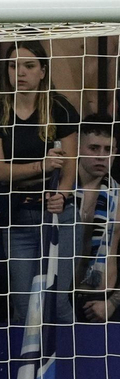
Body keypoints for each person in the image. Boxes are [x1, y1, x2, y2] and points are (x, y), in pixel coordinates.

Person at [0, 41, 79, 324]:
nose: (19, 72)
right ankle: (26, 368)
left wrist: (62, 195)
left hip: (58, 214)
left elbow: (70, 167)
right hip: (17, 215)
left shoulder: (60, 107)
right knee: (23, 307)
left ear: (43, 71)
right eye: (13, 66)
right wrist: (41, 166)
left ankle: (68, 367)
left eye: (28, 66)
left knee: (58, 302)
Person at [74, 122, 120, 322]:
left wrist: (113, 303)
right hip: (57, 295)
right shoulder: (58, 192)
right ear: (77, 148)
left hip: (102, 300)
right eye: (93, 148)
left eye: (108, 149)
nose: (102, 156)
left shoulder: (119, 197)